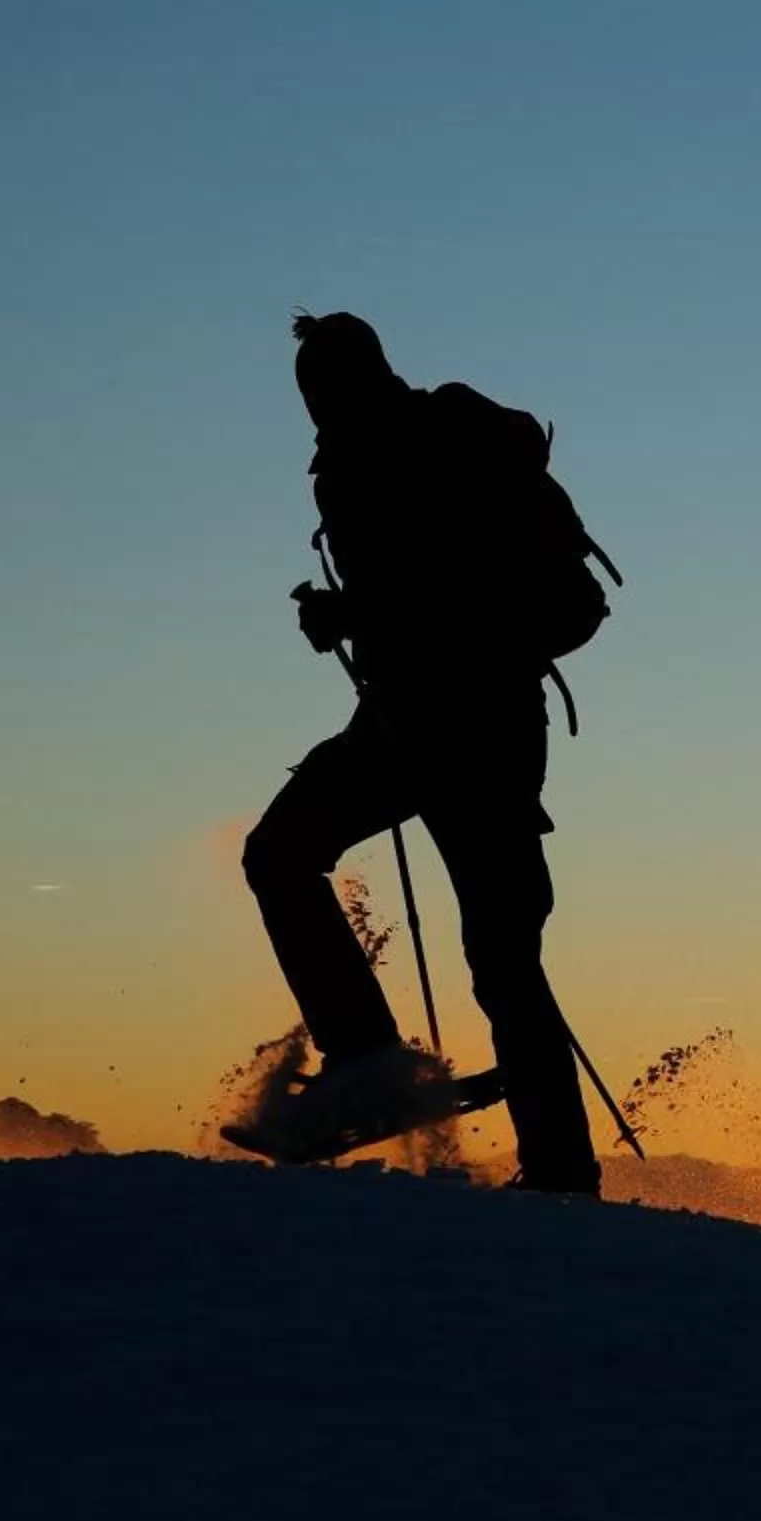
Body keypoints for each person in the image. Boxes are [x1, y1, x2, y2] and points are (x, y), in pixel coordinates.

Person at [236, 311, 602, 1191]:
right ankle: (374, 1065)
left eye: (319, 390)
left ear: (352, 379)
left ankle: (551, 1167)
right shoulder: (381, 454)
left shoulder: (424, 450)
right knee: (287, 858)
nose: (314, 411)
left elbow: (453, 595)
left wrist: (351, 616)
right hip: (417, 726)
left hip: (472, 730)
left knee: (498, 953)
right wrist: (353, 617)